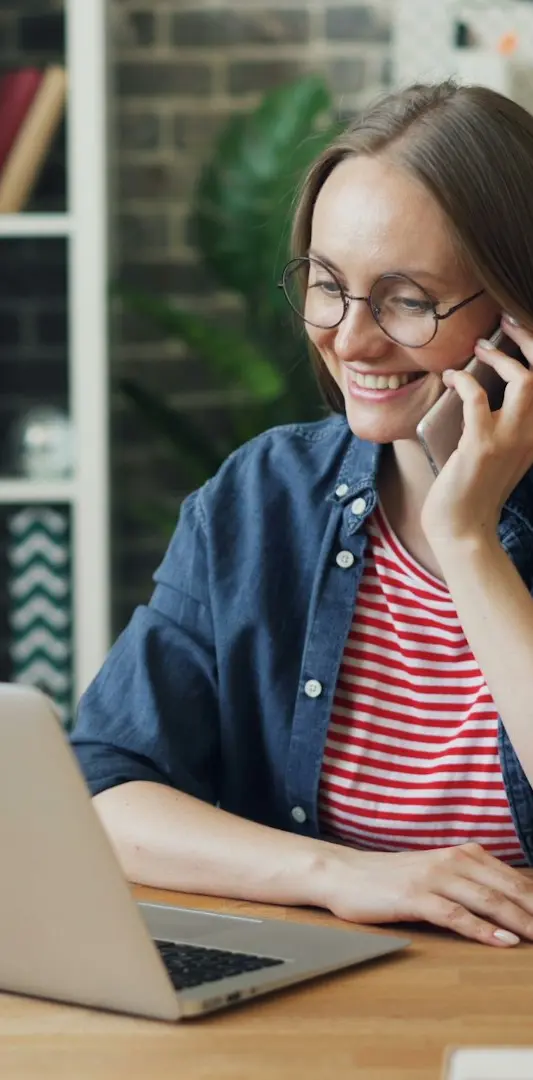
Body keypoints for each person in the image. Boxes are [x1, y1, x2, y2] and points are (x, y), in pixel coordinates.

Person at [71, 79, 533, 948]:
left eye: (406, 299)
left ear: (516, 313)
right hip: (326, 1001)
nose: (349, 340)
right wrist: (337, 872)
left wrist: (466, 538)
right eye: (328, 286)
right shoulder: (261, 497)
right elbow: (105, 789)